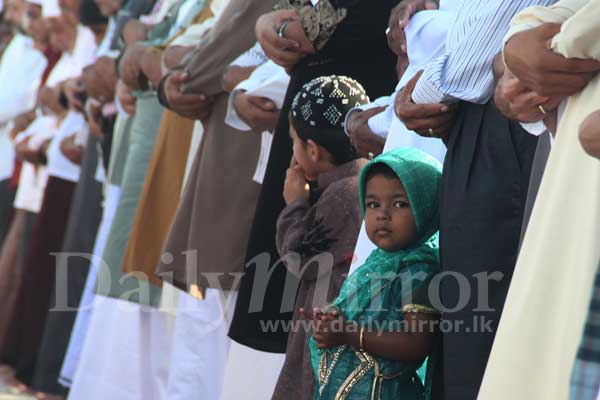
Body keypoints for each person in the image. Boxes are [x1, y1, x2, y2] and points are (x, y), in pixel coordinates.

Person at [305, 147, 442, 399]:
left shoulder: (418, 270)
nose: (382, 215)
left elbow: (416, 344)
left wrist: (348, 333)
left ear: (426, 207)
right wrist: (331, 319)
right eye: (373, 204)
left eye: (400, 204)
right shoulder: (377, 261)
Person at [271, 75, 369, 400]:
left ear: (312, 150)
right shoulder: (359, 179)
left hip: (326, 333)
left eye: (294, 141)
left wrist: (295, 204)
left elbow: (299, 259)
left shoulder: (343, 192)